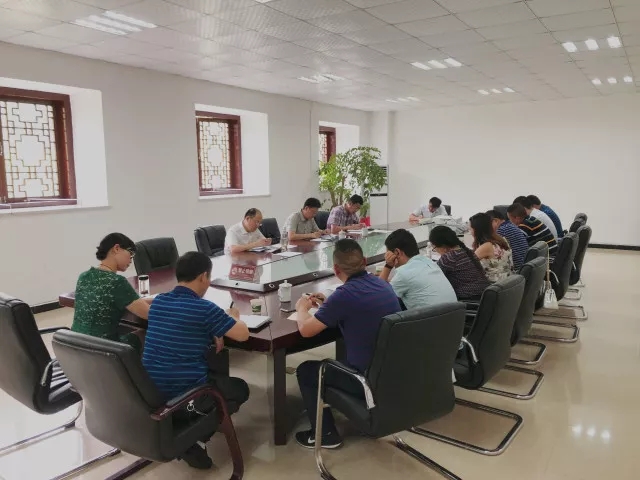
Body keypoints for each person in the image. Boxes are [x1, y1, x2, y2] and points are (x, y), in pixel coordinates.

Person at [142, 252, 250, 469]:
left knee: (212, 367)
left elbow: (147, 303)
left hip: (150, 392)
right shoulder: (205, 309)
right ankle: (191, 436)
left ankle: (188, 432)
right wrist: (232, 316)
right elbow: (243, 334)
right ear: (203, 277)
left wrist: (212, 329)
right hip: (187, 395)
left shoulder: (159, 301)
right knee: (240, 388)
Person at [293, 239, 401, 449]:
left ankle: (325, 434)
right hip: (393, 374)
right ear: (365, 261)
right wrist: (329, 305)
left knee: (307, 370)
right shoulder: (382, 284)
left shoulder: (344, 295)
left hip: (365, 381)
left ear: (336, 269)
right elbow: (357, 308)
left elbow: (306, 330)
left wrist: (301, 309)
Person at [71, 233, 151, 353]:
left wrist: (150, 300)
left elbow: (106, 300)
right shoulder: (117, 282)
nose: (131, 259)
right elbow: (149, 314)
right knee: (146, 332)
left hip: (75, 347)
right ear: (116, 248)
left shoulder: (84, 277)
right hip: (105, 350)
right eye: (130, 253)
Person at [379, 228, 457, 310]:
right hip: (455, 316)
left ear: (397, 252)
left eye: (388, 254)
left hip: (431, 318)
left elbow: (378, 295)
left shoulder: (403, 273)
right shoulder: (429, 262)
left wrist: (388, 266)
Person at [429, 226, 491, 300]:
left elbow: (432, 277)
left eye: (435, 248)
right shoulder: (467, 251)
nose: (436, 251)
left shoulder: (449, 258)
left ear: (443, 246)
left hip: (470, 300)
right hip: (485, 295)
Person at [469, 213, 514, 282]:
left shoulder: (486, 246)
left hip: (495, 284)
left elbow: (467, 265)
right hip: (509, 281)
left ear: (477, 230)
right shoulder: (502, 239)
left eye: (470, 229)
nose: (470, 232)